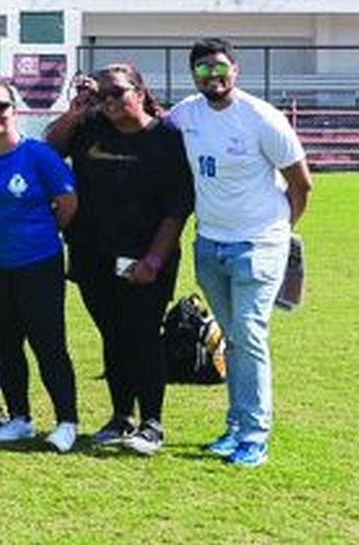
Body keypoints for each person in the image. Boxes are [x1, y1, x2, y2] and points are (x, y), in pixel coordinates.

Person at [166, 38, 312, 468]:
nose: (213, 76)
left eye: (219, 67)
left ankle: (254, 435)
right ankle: (235, 426)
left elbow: (301, 184)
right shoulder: (186, 114)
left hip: (259, 243)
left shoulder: (261, 117)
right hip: (209, 243)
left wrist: (281, 232)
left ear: (236, 69)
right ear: (193, 75)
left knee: (249, 334)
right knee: (233, 339)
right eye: (203, 69)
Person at [44, 62, 193, 457]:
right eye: (103, 94)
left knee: (141, 333)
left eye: (119, 92)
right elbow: (49, 149)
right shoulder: (91, 126)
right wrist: (77, 111)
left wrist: (154, 261)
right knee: (112, 333)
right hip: (93, 254)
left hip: (144, 258)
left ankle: (152, 422)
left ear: (140, 92)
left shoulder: (166, 138)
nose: (109, 101)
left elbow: (177, 207)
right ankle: (121, 416)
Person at [0, 80, 81, 453]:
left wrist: (41, 235)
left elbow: (67, 202)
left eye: (0, 106)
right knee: (6, 345)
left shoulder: (39, 155)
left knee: (48, 343)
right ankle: (20, 418)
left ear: (14, 109)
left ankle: (66, 421)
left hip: (38, 264)